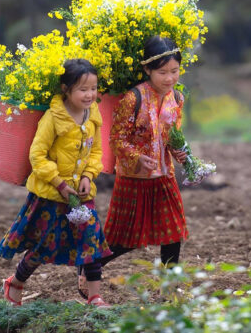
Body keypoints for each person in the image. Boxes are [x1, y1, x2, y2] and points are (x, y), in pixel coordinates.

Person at [77, 36, 189, 298]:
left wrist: (180, 152)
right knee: (125, 240)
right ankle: (89, 265)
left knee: (172, 232)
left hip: (164, 175)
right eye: (162, 72)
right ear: (147, 70)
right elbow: (116, 138)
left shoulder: (178, 98)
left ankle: (168, 289)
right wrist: (137, 156)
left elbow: (172, 135)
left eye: (174, 71)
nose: (170, 78)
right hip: (134, 179)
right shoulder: (133, 98)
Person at [0, 58, 112, 307]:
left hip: (82, 194)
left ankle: (95, 296)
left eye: (93, 88)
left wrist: (87, 176)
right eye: (83, 89)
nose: (90, 94)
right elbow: (37, 155)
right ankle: (15, 283)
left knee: (90, 239)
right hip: (51, 193)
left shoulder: (94, 114)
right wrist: (60, 183)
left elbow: (96, 152)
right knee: (44, 245)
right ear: (65, 89)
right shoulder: (53, 117)